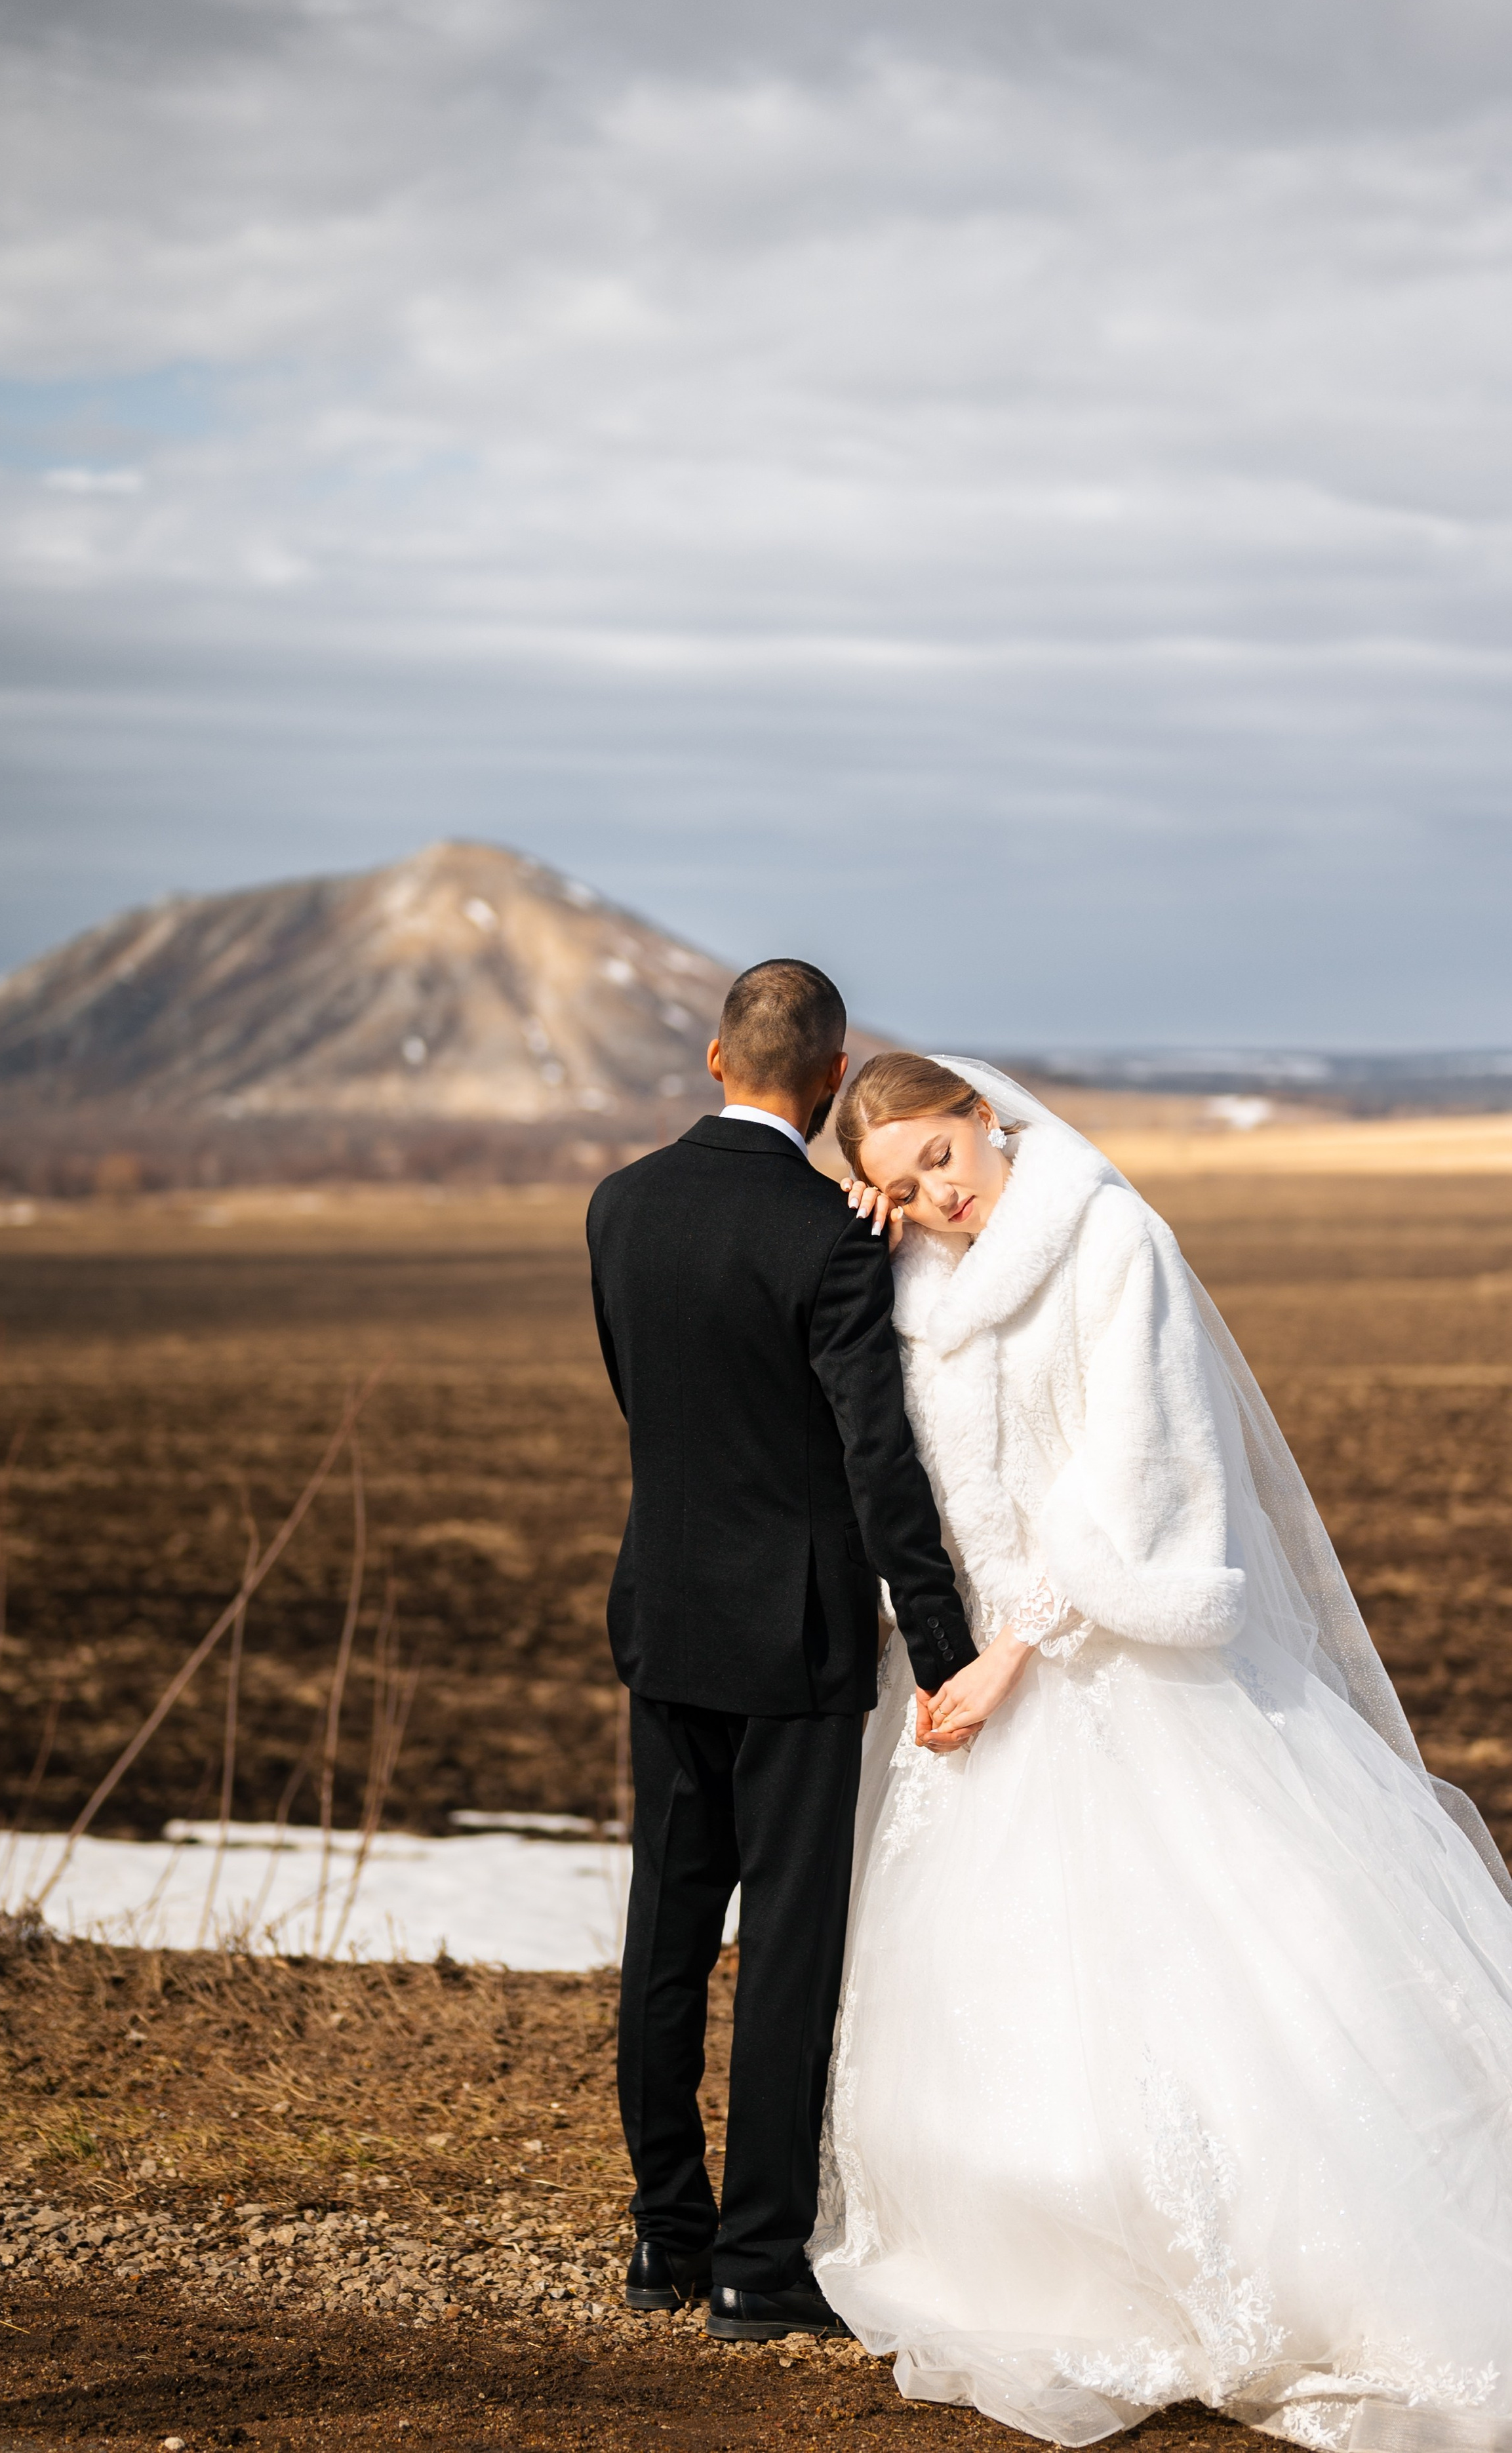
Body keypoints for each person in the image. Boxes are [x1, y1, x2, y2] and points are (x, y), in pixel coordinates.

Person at [811, 1050, 1512, 2448]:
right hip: (982, 1676)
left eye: (940, 1156)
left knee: (1226, 1961)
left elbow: (1137, 1473)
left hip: (1120, 1661)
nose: (936, 1197)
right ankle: (1062, 2256)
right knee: (1012, 1986)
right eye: (900, 1186)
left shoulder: (1110, 1238)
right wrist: (954, 1645)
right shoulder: (918, 1284)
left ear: (984, 1116)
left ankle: (1296, 2272)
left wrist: (1013, 1648)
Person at [586, 963, 979, 2342]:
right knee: (788, 1948)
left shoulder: (617, 1205)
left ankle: (663, 2235)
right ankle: (759, 2260)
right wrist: (946, 1648)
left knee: (664, 1933)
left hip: (665, 1612)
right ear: (832, 1080)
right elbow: (879, 1463)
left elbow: (645, 1401)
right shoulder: (831, 1236)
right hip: (796, 1632)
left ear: (714, 1059)